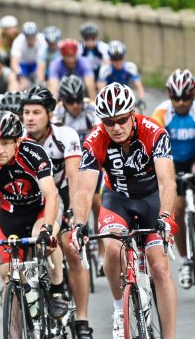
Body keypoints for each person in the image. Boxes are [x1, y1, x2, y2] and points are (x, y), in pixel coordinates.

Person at [70, 83, 178, 339]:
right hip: (117, 199)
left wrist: (164, 216)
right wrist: (79, 224)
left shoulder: (154, 132)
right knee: (113, 249)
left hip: (152, 198)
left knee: (160, 268)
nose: (116, 127)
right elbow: (84, 191)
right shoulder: (95, 140)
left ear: (131, 115)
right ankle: (119, 309)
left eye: (121, 120)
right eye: (109, 122)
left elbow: (167, 182)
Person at [0, 111, 69, 319]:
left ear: (17, 141)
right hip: (11, 215)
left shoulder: (33, 153)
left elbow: (51, 194)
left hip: (41, 209)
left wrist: (47, 228)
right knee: (8, 275)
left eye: (5, 143)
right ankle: (27, 309)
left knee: (42, 240)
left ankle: (58, 289)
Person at [20, 86, 93, 338]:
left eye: (36, 112)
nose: (29, 118)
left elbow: (73, 176)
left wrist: (73, 212)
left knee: (71, 249)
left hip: (60, 193)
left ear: (49, 114)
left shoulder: (65, 135)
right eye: (26, 112)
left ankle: (81, 320)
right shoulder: (18, 138)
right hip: (31, 198)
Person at [53, 75, 105, 271]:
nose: (75, 105)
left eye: (78, 100)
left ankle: (101, 253)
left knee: (97, 202)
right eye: (70, 101)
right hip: (70, 162)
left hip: (93, 160)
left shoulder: (92, 109)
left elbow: (103, 137)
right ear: (62, 101)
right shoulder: (57, 114)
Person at [152, 69, 195, 289]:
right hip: (172, 163)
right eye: (176, 98)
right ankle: (186, 260)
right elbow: (155, 145)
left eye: (185, 98)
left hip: (193, 159)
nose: (181, 103)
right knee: (177, 210)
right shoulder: (161, 113)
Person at [97, 40, 145, 106]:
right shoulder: (105, 69)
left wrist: (141, 100)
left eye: (120, 58)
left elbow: (139, 86)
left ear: (124, 57)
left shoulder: (130, 67)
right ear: (110, 59)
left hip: (125, 96)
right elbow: (101, 90)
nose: (118, 61)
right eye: (114, 58)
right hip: (110, 97)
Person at [10, 21, 47, 89]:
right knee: (18, 82)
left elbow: (42, 61)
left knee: (41, 81)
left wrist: (40, 79)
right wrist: (21, 76)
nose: (31, 40)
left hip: (36, 63)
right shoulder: (18, 41)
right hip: (23, 64)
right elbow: (14, 63)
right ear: (24, 36)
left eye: (33, 37)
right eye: (28, 37)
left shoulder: (42, 40)